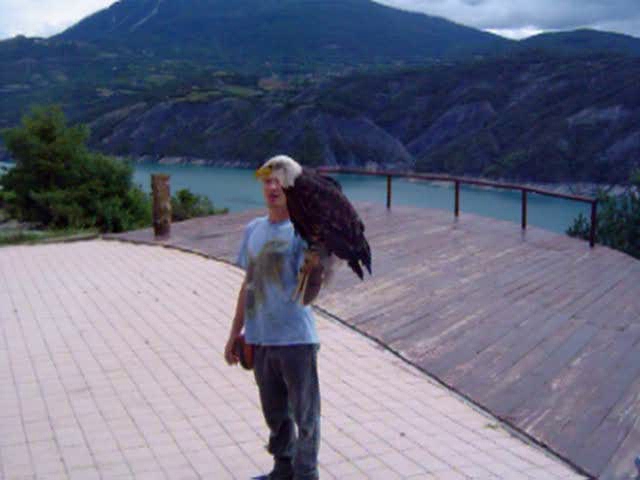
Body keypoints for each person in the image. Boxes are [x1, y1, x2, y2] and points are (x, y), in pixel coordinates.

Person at [224, 161, 323, 480]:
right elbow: (248, 285)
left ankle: (306, 474)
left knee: (306, 415)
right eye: (267, 182)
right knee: (275, 414)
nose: (272, 187)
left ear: (290, 187)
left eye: (279, 181)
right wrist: (235, 332)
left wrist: (318, 261)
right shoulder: (253, 229)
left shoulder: (304, 232)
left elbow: (313, 286)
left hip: (296, 339)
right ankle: (282, 469)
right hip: (260, 338)